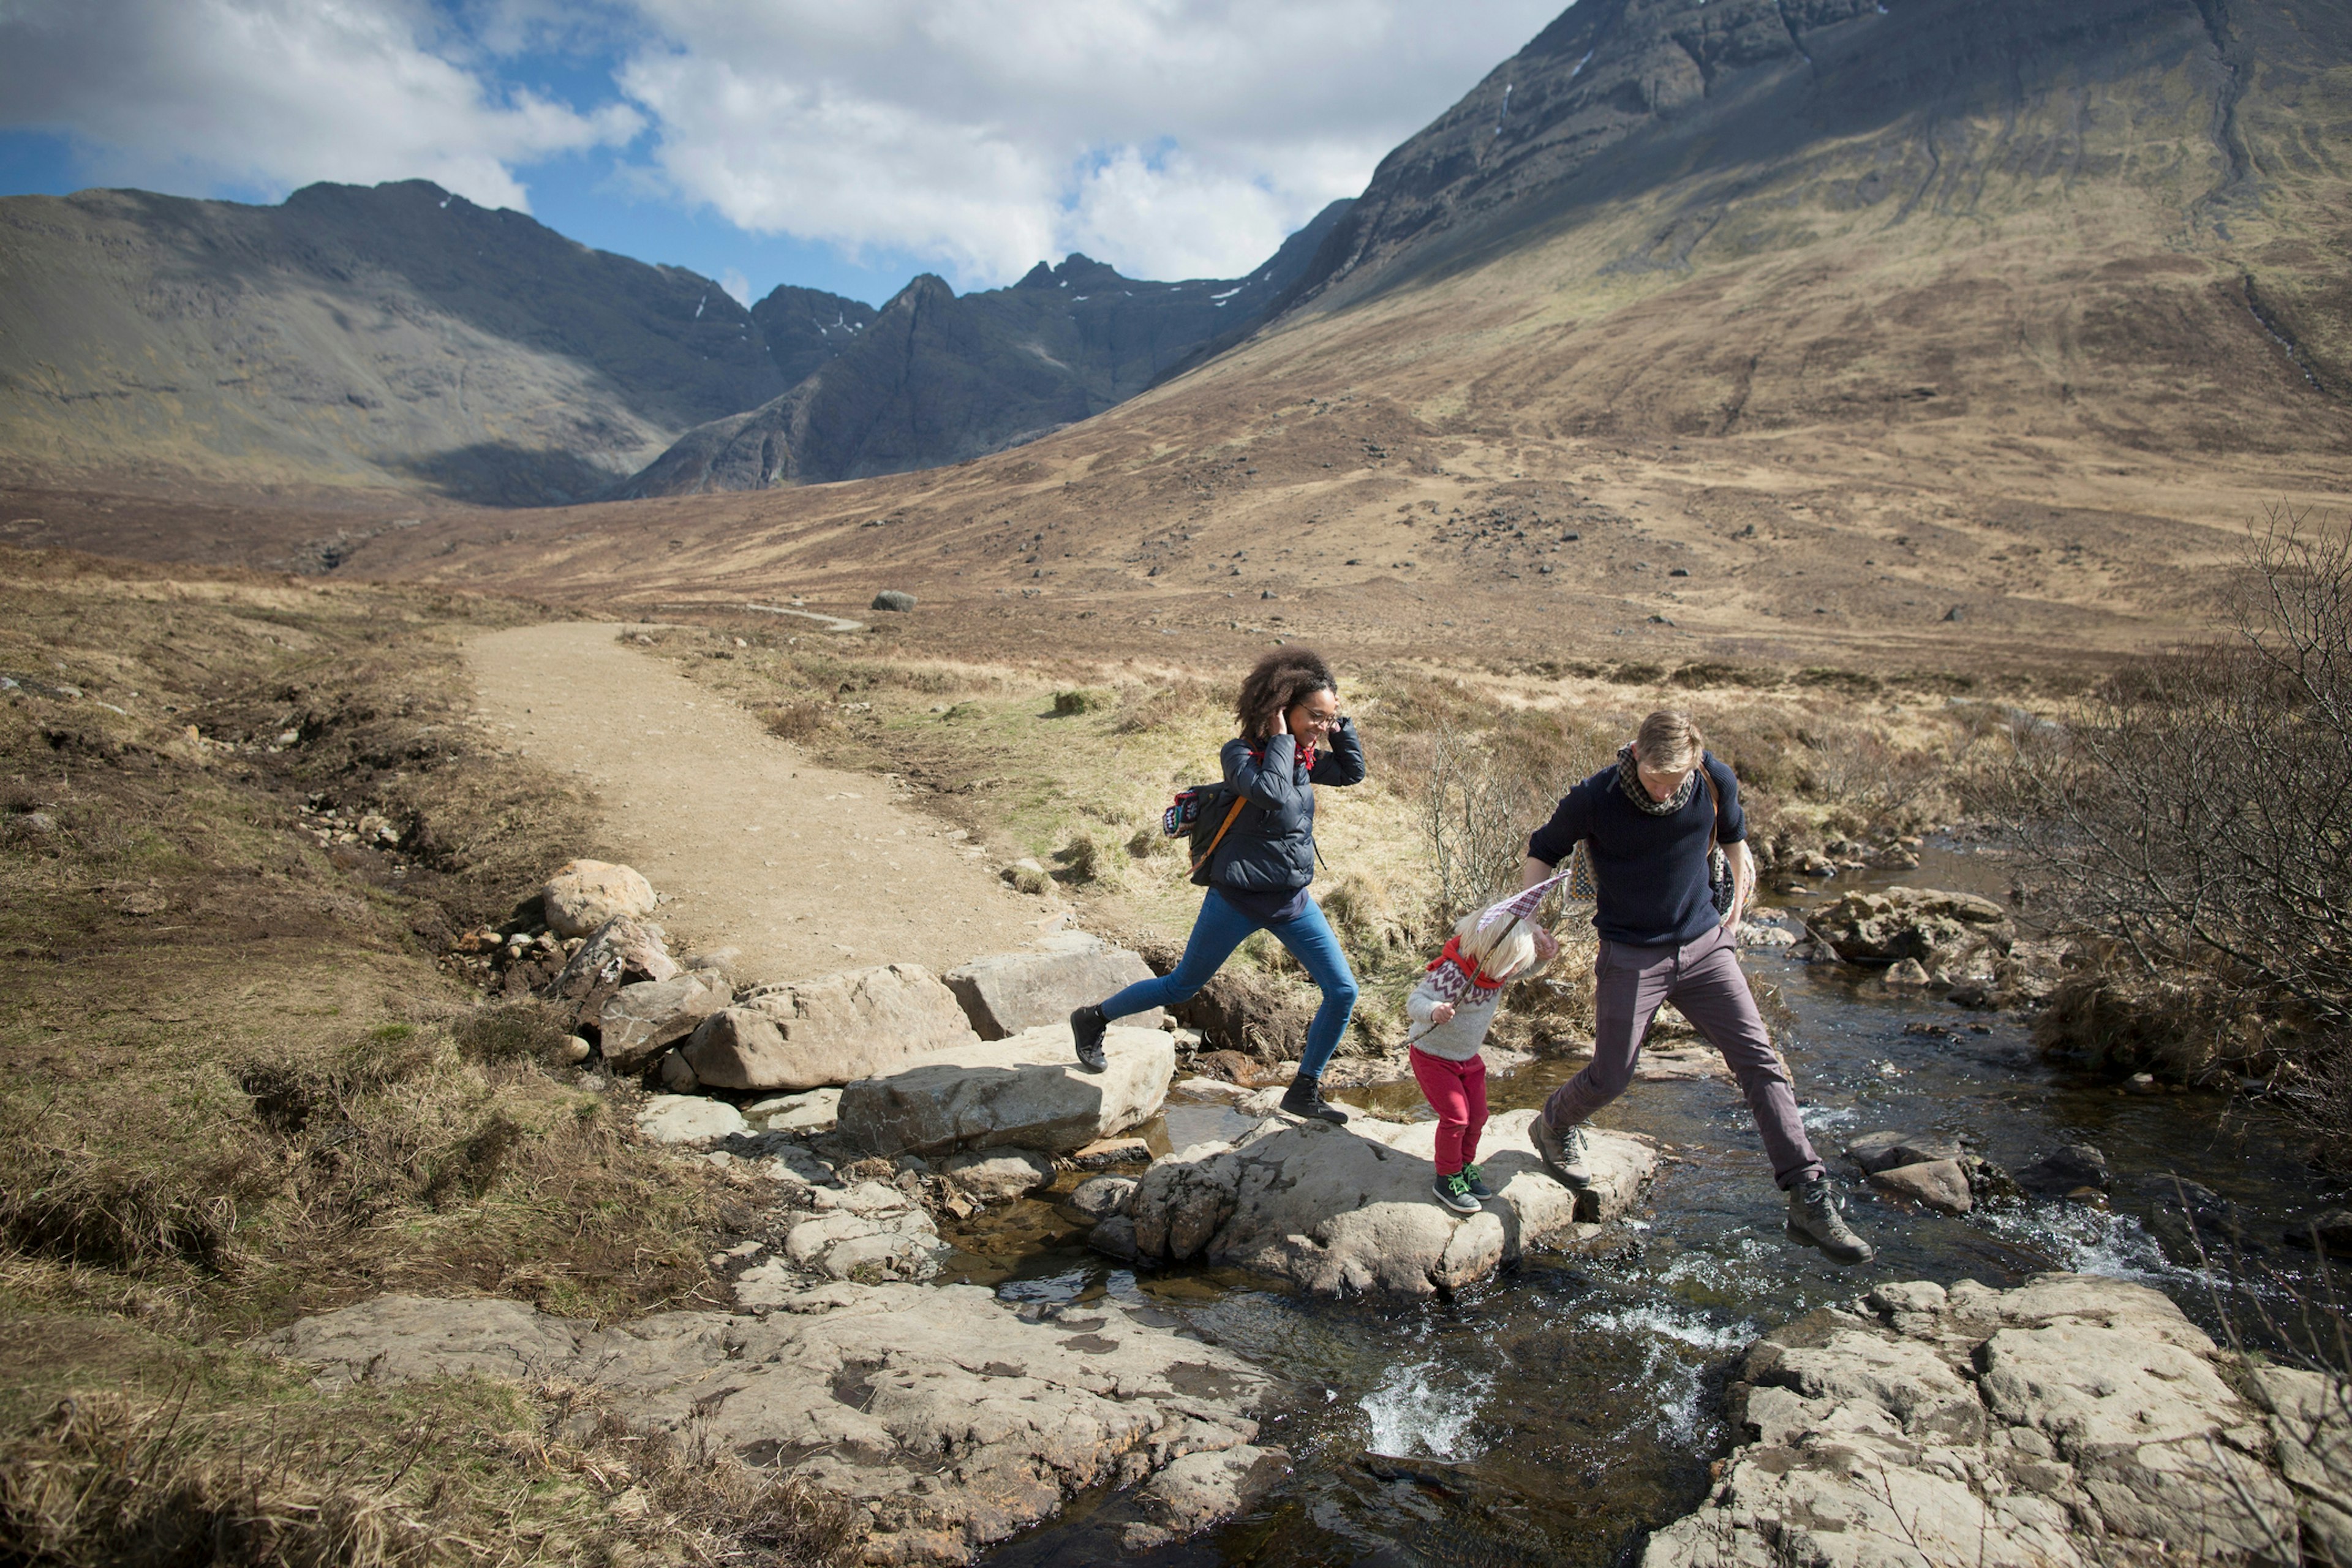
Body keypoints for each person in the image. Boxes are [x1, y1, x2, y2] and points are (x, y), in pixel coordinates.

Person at [1519, 709, 1873, 1264]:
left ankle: (1809, 1196)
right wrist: (1529, 918)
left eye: (1674, 778)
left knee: (1760, 1061)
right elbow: (1543, 850)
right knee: (1612, 1075)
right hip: (1632, 953)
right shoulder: (1596, 796)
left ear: (1695, 760)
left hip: (1706, 946)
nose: (1664, 789)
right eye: (1655, 777)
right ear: (1635, 752)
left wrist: (1735, 904)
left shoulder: (1712, 778)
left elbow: (1735, 839)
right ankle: (1554, 1123)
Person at [1071, 647, 1366, 1123]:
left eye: (1327, 718)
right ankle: (1093, 1018)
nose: (1322, 728)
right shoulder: (1240, 755)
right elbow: (1268, 793)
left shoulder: (1305, 758)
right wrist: (1283, 739)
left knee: (1343, 991)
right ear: (1281, 710)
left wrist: (1338, 723)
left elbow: (1353, 772)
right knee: (1183, 985)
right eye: (1315, 716)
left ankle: (1304, 1089)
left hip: (1292, 902)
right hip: (1237, 900)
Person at [1406, 908, 1558, 1213]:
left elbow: (1524, 969)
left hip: (1467, 1057)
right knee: (1456, 1118)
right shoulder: (1454, 974)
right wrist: (1435, 1010)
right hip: (1433, 1056)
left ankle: (1463, 1167)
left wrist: (1542, 956)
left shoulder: (1495, 972)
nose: (1515, 971)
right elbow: (1415, 1001)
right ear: (1495, 955)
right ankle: (1446, 1177)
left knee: (1478, 1116)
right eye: (1513, 964)